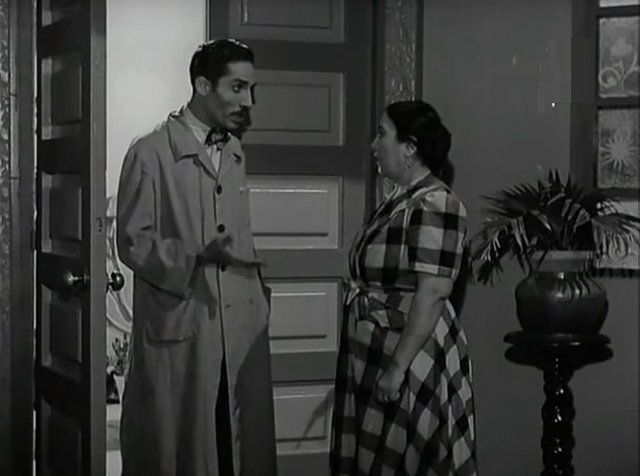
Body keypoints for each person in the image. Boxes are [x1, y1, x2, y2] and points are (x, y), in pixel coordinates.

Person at [116, 39, 277, 476]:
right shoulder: (150, 152)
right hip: (182, 321)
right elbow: (132, 241)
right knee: (181, 442)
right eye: (237, 88)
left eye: (251, 90)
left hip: (236, 322)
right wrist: (192, 257)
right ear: (203, 85)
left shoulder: (234, 150)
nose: (248, 101)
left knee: (233, 440)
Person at [330, 100, 477, 475]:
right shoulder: (399, 199)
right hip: (377, 350)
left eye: (382, 134)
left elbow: (433, 291)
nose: (373, 144)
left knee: (407, 457)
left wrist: (396, 369)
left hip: (410, 355)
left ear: (410, 147)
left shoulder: (437, 202)